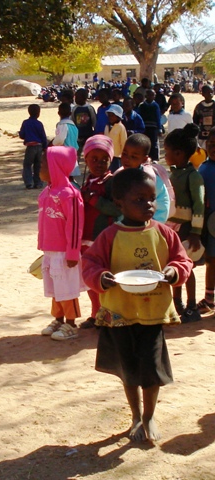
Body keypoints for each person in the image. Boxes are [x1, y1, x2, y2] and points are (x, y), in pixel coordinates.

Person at [82, 167, 193, 442]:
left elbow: (183, 261)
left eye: (152, 198)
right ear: (119, 201)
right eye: (139, 199)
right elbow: (90, 265)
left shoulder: (164, 233)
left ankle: (149, 416)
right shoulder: (109, 235)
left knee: (151, 369)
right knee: (128, 369)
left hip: (152, 313)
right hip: (121, 313)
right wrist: (101, 278)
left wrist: (174, 272)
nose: (148, 205)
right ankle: (135, 415)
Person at [39, 146, 85, 341]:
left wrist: (73, 253)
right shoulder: (47, 192)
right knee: (55, 287)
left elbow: (75, 226)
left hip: (65, 253)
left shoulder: (69, 194)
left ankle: (71, 323)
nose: (39, 167)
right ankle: (58, 318)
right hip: (50, 250)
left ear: (54, 167)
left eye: (43, 164)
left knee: (67, 288)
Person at [165, 124, 205, 323]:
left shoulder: (193, 176)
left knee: (187, 268)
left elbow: (199, 205)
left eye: (167, 151)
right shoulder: (174, 173)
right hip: (174, 228)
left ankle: (191, 306)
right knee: (175, 265)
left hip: (187, 229)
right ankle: (177, 303)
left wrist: (196, 232)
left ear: (178, 153)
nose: (165, 155)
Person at [79, 135, 120, 329]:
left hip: (102, 239)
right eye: (94, 159)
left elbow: (116, 209)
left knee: (102, 278)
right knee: (89, 279)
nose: (99, 163)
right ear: (85, 160)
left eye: (104, 160)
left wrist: (93, 199)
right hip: (85, 239)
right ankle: (95, 313)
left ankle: (106, 315)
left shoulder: (111, 182)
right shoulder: (87, 182)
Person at [119, 134, 172, 223]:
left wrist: (153, 224)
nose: (127, 159)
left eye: (133, 157)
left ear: (144, 159)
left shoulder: (150, 178)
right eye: (124, 154)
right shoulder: (120, 174)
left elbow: (163, 203)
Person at [196, 128, 215, 313]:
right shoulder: (204, 168)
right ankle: (210, 298)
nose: (213, 148)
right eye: (210, 144)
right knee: (211, 260)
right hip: (210, 225)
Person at [19, 104, 47, 189]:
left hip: (30, 146)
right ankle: (38, 182)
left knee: (27, 165)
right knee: (38, 165)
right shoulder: (39, 124)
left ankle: (29, 183)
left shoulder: (25, 123)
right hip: (39, 146)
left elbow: (22, 135)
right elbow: (43, 136)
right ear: (38, 113)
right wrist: (45, 147)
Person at [51, 102, 80, 178]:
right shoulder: (74, 126)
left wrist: (52, 144)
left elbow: (60, 139)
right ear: (70, 113)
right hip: (73, 152)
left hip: (64, 153)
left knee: (64, 175)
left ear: (58, 113)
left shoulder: (62, 125)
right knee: (71, 175)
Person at [71, 88, 96, 162]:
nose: (76, 99)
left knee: (89, 153)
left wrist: (94, 132)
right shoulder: (75, 109)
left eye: (78, 97)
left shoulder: (89, 108)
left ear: (84, 98)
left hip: (88, 135)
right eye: (75, 97)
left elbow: (94, 120)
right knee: (76, 153)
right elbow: (73, 120)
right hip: (78, 136)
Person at [137, 89, 161, 161]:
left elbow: (158, 117)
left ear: (154, 96)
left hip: (153, 127)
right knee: (144, 142)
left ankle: (154, 158)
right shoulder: (142, 106)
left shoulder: (156, 106)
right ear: (146, 96)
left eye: (152, 95)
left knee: (153, 143)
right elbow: (139, 116)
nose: (151, 96)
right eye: (149, 95)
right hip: (144, 127)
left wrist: (159, 128)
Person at [104, 104, 127, 173]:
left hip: (116, 156)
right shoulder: (107, 126)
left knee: (115, 173)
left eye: (112, 115)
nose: (110, 117)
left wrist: (124, 156)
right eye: (109, 115)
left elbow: (124, 143)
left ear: (118, 116)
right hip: (107, 155)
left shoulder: (121, 127)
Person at [193, 85, 215, 150]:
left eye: (212, 92)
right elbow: (195, 122)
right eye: (208, 92)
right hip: (202, 137)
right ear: (203, 94)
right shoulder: (199, 107)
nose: (211, 94)